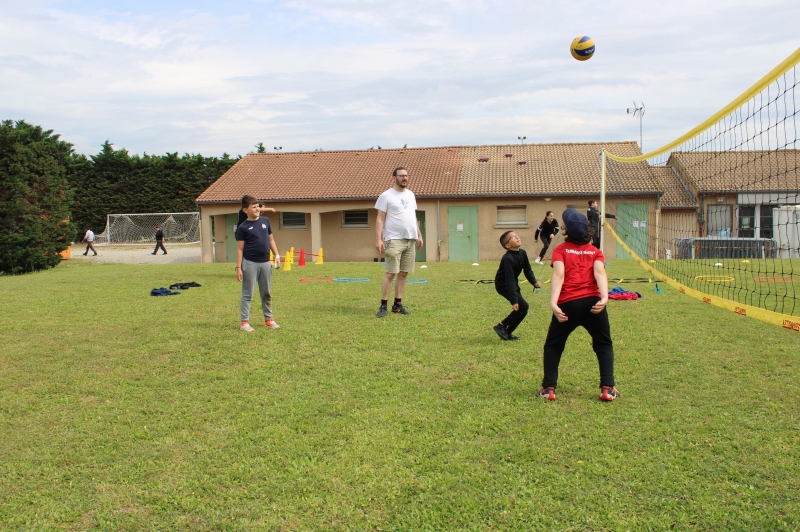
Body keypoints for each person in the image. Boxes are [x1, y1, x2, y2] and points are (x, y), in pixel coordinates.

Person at [538, 208, 619, 402]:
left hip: (567, 305)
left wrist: (553, 303)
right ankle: (608, 388)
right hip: (593, 304)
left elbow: (559, 275)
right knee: (603, 344)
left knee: (554, 345)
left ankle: (549, 388)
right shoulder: (595, 252)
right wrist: (605, 298)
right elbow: (600, 274)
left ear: (565, 231)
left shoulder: (560, 250)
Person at [374, 166, 423, 317]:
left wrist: (419, 235)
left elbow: (413, 217)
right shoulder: (386, 196)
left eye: (406, 175)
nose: (405, 178)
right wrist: (378, 239)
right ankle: (383, 306)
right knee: (390, 273)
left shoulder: (411, 195)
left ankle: (397, 304)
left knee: (403, 274)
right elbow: (380, 218)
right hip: (393, 239)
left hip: (410, 239)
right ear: (394, 177)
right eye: (401, 175)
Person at [235, 195, 281, 333]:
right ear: (245, 210)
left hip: (266, 262)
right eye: (253, 207)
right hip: (250, 263)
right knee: (247, 293)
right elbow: (239, 249)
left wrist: (276, 255)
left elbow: (271, 240)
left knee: (266, 292)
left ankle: (269, 319)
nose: (257, 209)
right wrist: (238, 268)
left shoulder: (265, 221)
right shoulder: (243, 227)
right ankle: (244, 322)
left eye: (258, 207)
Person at [493, 231, 542, 341]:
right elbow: (509, 279)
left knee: (523, 309)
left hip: (512, 283)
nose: (517, 237)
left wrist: (534, 282)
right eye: (513, 237)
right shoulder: (507, 259)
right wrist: (514, 301)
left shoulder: (522, 253)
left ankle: (507, 332)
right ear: (507, 245)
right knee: (523, 306)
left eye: (516, 235)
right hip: (503, 285)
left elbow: (527, 270)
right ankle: (501, 326)